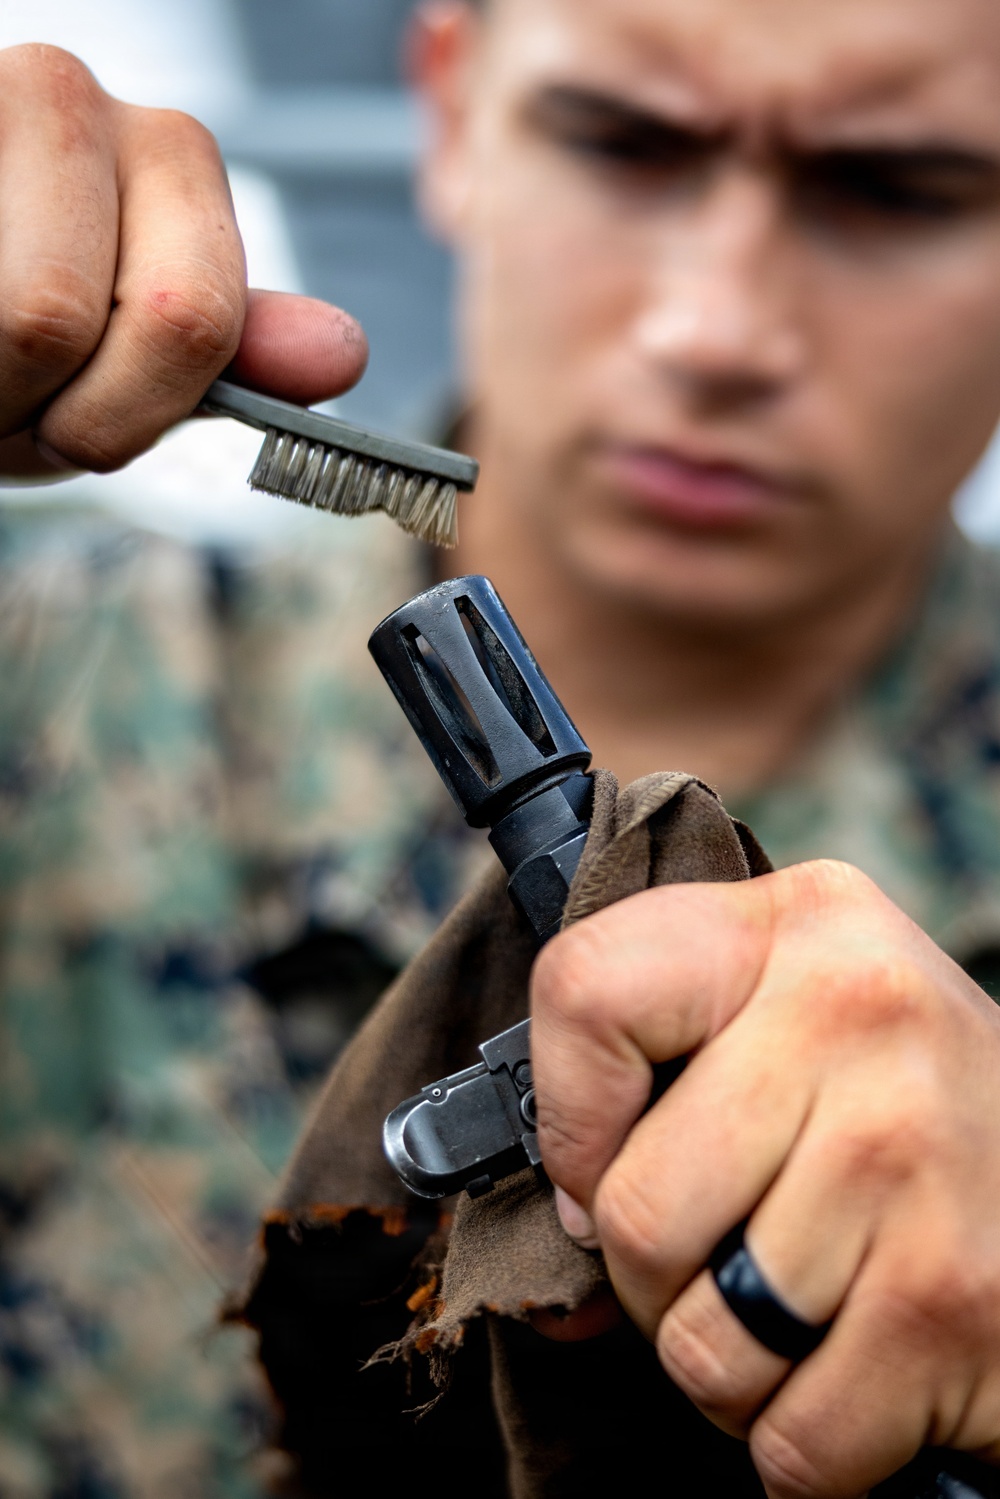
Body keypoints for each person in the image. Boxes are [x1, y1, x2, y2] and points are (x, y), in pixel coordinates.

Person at [4, 0, 1000, 1490]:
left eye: (896, 188)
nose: (717, 328)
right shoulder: (50, 709)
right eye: (625, 142)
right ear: (454, 105)